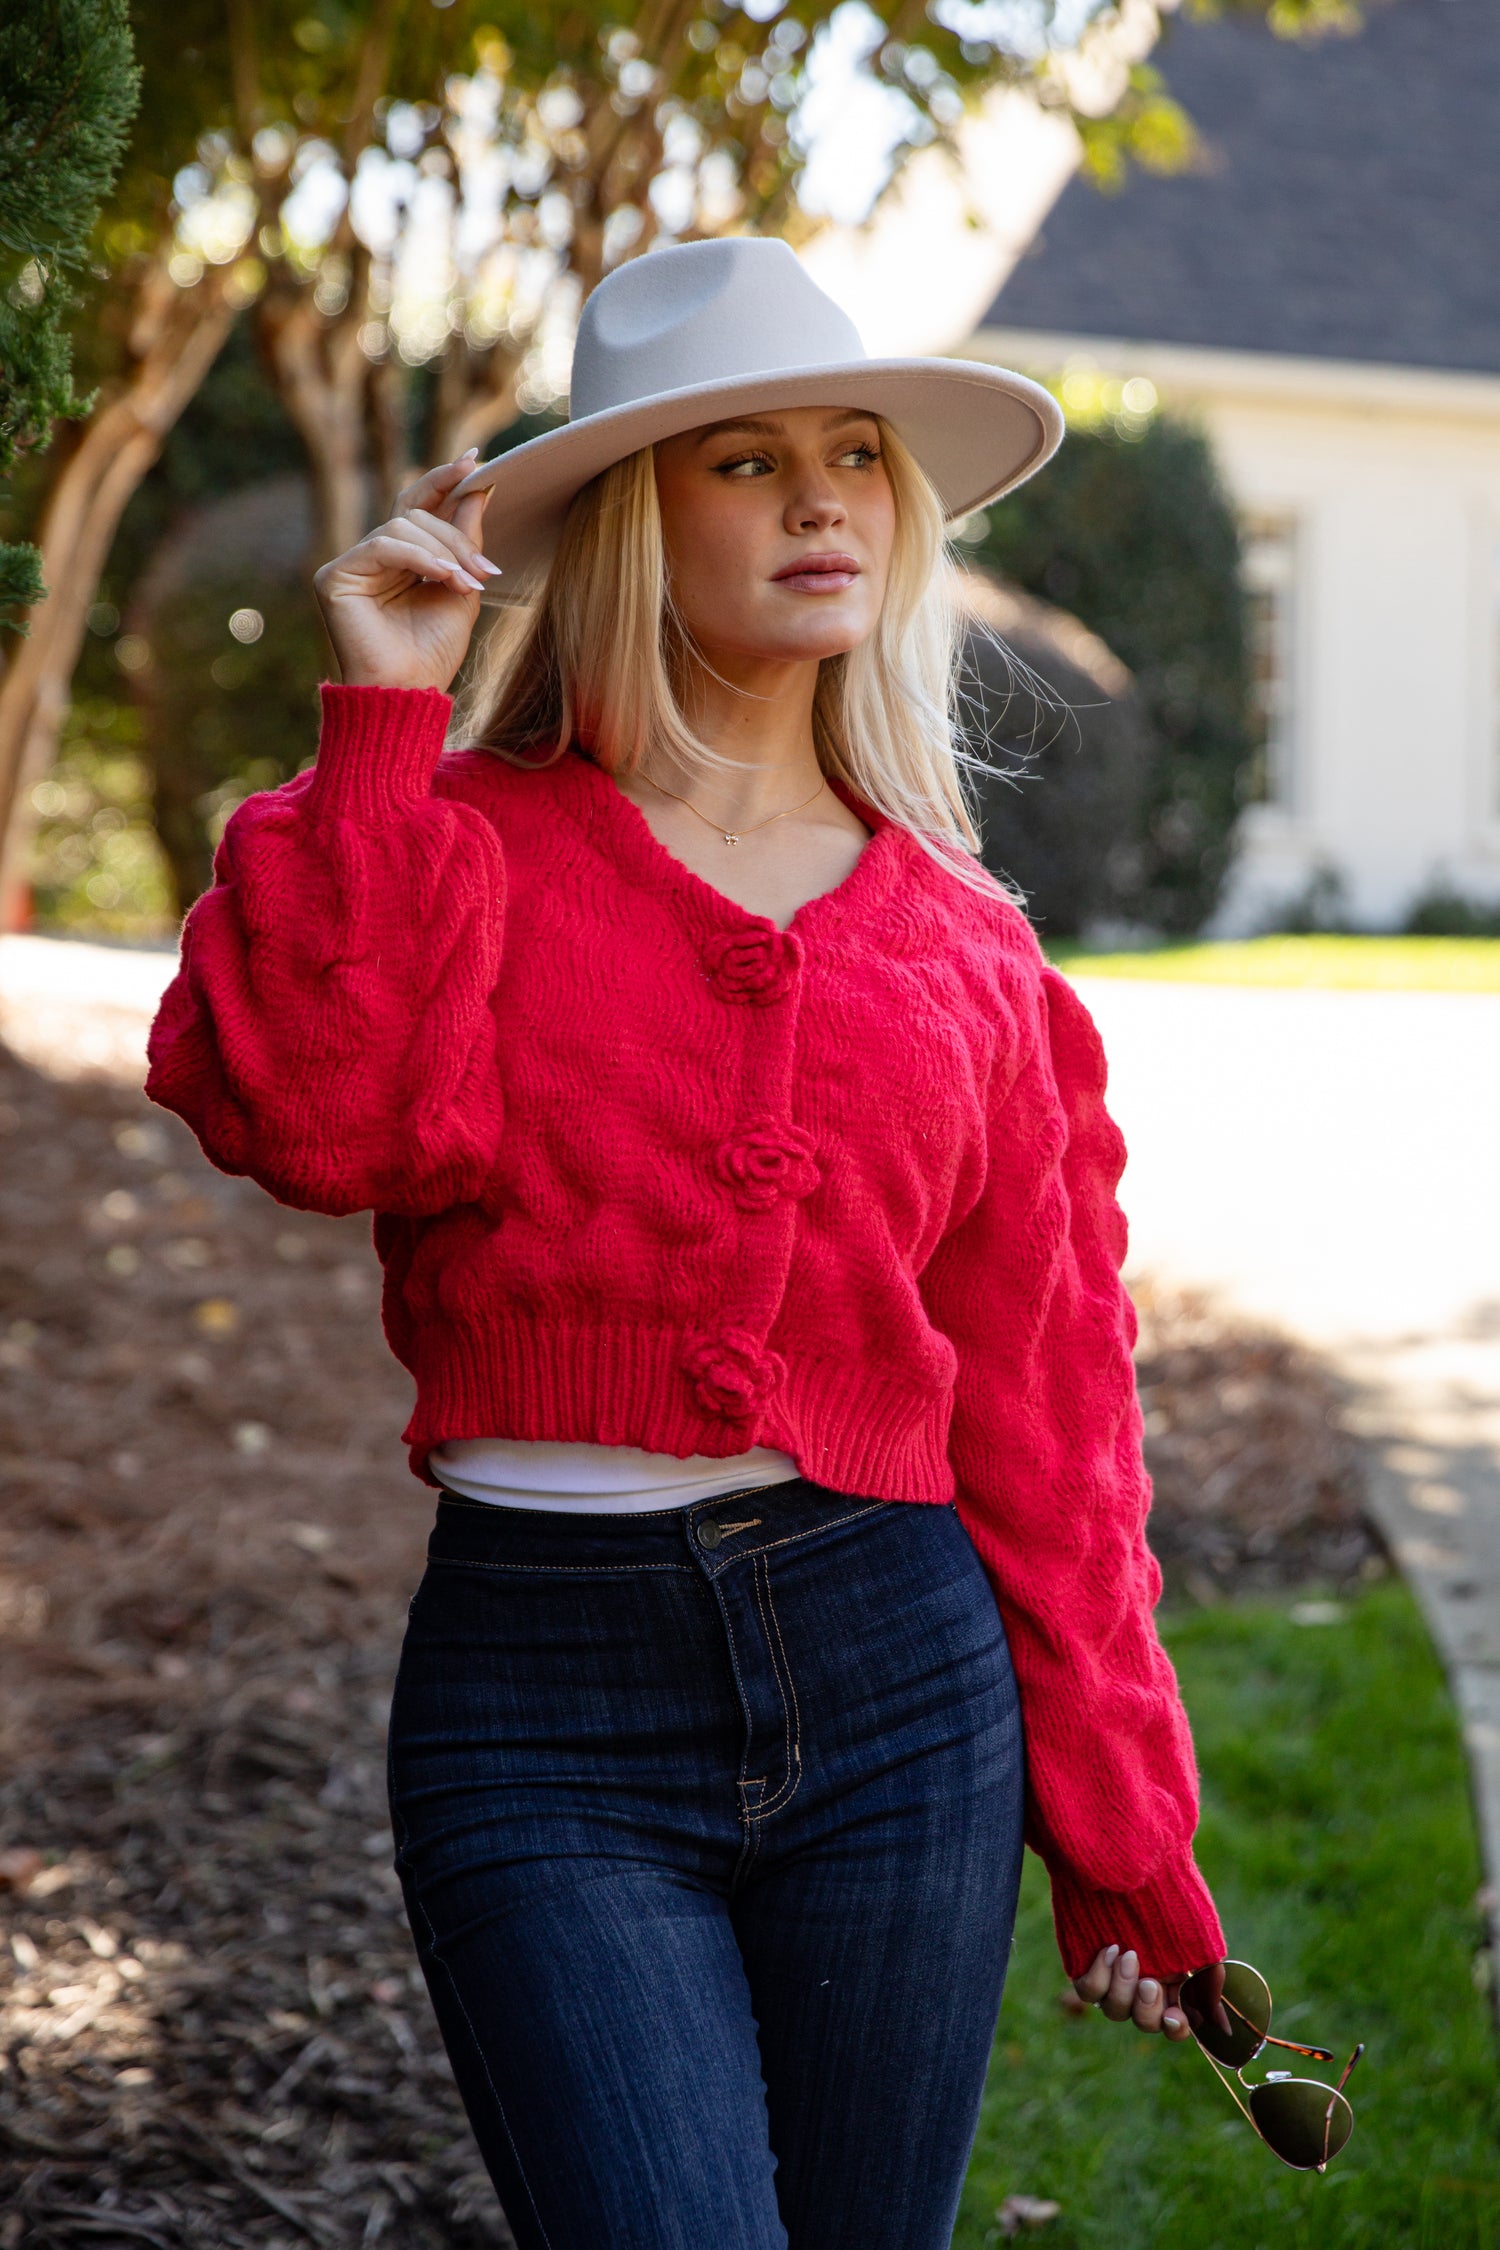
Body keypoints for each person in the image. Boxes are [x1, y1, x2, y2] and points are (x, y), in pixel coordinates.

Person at [147, 238, 1225, 2250]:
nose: (825, 497)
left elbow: (1058, 1420)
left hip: (901, 1679)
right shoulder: (445, 847)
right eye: (746, 460)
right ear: (636, 516)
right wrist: (385, 717)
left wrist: (1127, 1824)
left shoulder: (969, 951)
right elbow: (320, 1121)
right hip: (545, 1692)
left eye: (857, 456)